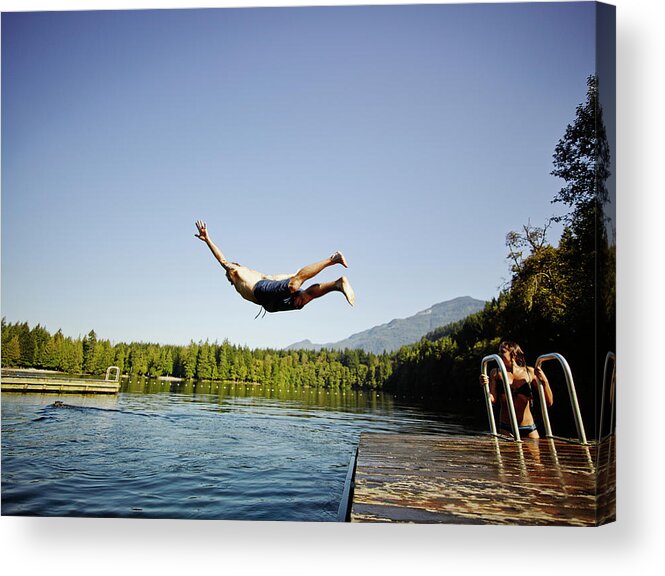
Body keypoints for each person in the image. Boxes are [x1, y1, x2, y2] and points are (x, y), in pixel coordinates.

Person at [195, 220, 355, 315]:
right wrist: (294, 275)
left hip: (262, 292)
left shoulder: (237, 272)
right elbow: (275, 278)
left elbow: (222, 260)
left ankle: (332, 259)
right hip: (268, 303)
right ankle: (337, 284)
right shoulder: (254, 274)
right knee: (301, 300)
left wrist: (208, 240)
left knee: (293, 285)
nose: (227, 275)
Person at [479, 341, 553, 439]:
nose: (499, 355)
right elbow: (493, 399)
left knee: (535, 454)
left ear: (513, 354)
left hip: (529, 427)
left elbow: (549, 402)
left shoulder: (529, 372)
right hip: (506, 427)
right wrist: (485, 386)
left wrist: (545, 382)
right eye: (499, 352)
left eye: (502, 352)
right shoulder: (496, 373)